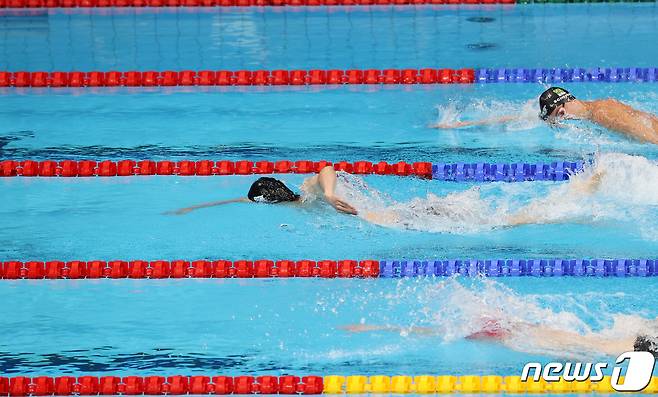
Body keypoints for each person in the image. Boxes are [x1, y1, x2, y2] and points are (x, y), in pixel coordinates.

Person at [168, 164, 605, 230]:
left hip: (395, 218)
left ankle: (575, 199)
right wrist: (200, 205)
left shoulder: (310, 194)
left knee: (497, 224)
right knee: (490, 219)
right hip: (399, 213)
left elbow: (326, 169)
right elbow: (245, 200)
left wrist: (336, 196)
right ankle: (575, 196)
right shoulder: (297, 198)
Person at [431, 87, 658, 144]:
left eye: (555, 122)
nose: (558, 125)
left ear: (560, 111)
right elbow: (520, 117)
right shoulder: (594, 109)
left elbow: (651, 137)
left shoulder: (602, 114)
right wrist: (462, 124)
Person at [341, 318, 658, 358]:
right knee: (511, 332)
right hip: (620, 345)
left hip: (611, 346)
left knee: (511, 332)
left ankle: (386, 328)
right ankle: (386, 328)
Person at [168, 165, 358, 215]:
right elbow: (237, 200)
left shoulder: (308, 193)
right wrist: (193, 207)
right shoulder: (293, 202)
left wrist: (329, 195)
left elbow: (327, 170)